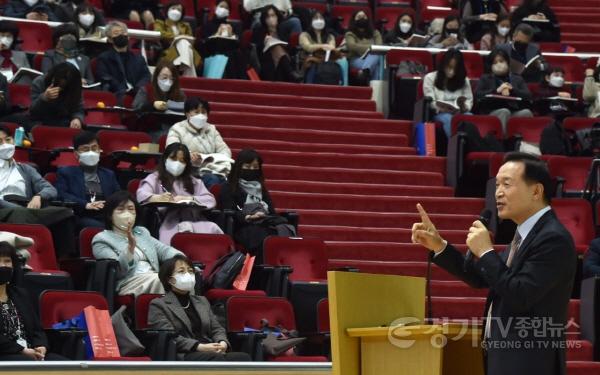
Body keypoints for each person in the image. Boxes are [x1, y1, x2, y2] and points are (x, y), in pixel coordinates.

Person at [411, 152, 576, 375]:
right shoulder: (526, 235)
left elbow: (520, 294)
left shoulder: (553, 238)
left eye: (506, 184)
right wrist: (439, 245)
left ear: (536, 191)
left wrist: (486, 251)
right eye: (496, 185)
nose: (497, 192)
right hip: (506, 358)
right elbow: (482, 276)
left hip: (530, 362)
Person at [148, 255, 252, 361]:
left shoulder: (202, 301)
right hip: (184, 353)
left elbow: (217, 328)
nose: (188, 274)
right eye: (181, 271)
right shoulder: (159, 305)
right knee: (216, 359)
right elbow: (169, 337)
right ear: (170, 280)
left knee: (244, 357)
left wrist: (222, 342)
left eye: (190, 271)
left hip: (210, 349)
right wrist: (199, 347)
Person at [0, 126, 77, 259]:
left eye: (8, 140)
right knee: (20, 213)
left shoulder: (26, 169)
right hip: (4, 208)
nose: (5, 145)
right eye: (0, 142)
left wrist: (38, 196)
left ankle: (63, 260)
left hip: (27, 206)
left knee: (65, 213)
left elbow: (50, 189)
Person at [92, 191, 184, 297]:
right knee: (165, 280)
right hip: (128, 283)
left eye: (131, 209)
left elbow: (164, 250)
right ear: (110, 215)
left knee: (184, 277)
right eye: (121, 209)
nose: (127, 214)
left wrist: (182, 261)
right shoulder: (101, 239)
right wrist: (130, 249)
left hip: (152, 277)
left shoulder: (141, 232)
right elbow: (118, 271)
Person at [136, 142, 223, 245]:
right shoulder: (155, 178)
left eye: (182, 161)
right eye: (173, 159)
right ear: (165, 159)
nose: (177, 163)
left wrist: (191, 199)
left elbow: (210, 200)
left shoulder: (194, 181)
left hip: (195, 221)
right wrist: (159, 198)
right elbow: (141, 194)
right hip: (170, 223)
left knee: (214, 229)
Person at [218, 149, 295, 262]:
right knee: (261, 236)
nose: (251, 170)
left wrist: (265, 216)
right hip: (242, 226)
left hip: (263, 222)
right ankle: (264, 272)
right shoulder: (228, 187)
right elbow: (229, 210)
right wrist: (248, 217)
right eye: (248, 167)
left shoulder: (260, 188)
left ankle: (283, 270)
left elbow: (271, 210)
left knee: (285, 229)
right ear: (239, 166)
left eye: (255, 167)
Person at [0, 242, 67, 361]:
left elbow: (37, 329)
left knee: (65, 364)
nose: (3, 266)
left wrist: (41, 346)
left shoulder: (21, 294)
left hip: (30, 352)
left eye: (7, 261)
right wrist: (21, 350)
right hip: (5, 354)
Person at [55, 131, 121, 230]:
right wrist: (85, 204)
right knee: (101, 227)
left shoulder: (108, 174)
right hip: (82, 215)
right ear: (76, 154)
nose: (91, 152)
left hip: (106, 214)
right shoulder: (66, 172)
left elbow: (118, 195)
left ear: (99, 151)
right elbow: (61, 194)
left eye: (94, 148)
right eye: (85, 149)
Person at [166, 97, 232, 188]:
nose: (200, 115)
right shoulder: (177, 129)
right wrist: (189, 155)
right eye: (196, 112)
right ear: (188, 114)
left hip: (211, 169)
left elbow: (225, 151)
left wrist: (211, 159)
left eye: (203, 112)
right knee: (213, 180)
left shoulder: (211, 129)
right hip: (188, 170)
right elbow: (171, 149)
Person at [475, 48, 533, 135]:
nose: (499, 65)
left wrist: (513, 89)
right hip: (493, 112)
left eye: (501, 61)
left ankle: (527, 141)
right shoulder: (485, 78)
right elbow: (477, 94)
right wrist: (496, 91)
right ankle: (503, 142)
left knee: (527, 112)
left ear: (507, 62)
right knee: (504, 111)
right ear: (490, 66)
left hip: (513, 111)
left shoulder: (517, 78)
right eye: (495, 63)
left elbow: (528, 95)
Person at [96, 21, 151, 108]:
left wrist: (137, 89)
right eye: (116, 33)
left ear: (128, 36)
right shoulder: (104, 58)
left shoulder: (138, 58)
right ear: (110, 39)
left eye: (123, 32)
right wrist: (124, 90)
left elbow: (146, 76)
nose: (121, 35)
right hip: (117, 94)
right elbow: (105, 77)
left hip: (138, 93)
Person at [422, 49, 473, 137]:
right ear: (443, 65)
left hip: (460, 112)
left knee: (470, 117)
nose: (451, 71)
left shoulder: (464, 80)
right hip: (441, 113)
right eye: (449, 67)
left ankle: (471, 146)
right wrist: (441, 108)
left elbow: (469, 100)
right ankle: (455, 147)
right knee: (448, 119)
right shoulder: (430, 78)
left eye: (455, 68)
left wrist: (464, 107)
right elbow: (430, 101)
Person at [251, 5, 301, 82]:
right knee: (274, 45)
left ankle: (290, 73)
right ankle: (290, 73)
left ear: (277, 17)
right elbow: (257, 49)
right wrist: (265, 42)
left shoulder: (282, 30)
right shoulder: (259, 31)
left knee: (277, 47)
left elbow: (290, 50)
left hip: (285, 59)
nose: (271, 19)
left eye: (273, 15)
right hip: (267, 60)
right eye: (268, 17)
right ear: (264, 19)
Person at [29, 62, 85, 129]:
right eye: (62, 79)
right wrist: (44, 98)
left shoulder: (74, 86)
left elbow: (79, 109)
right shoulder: (39, 82)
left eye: (66, 81)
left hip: (64, 121)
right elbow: (33, 111)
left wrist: (77, 118)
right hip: (40, 119)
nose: (63, 83)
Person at [154, 1, 202, 77]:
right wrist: (177, 37)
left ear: (182, 14)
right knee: (182, 41)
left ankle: (183, 63)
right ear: (167, 10)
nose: (176, 11)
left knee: (184, 42)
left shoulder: (186, 25)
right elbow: (160, 33)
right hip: (169, 50)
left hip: (186, 49)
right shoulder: (160, 23)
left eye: (179, 10)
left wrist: (181, 38)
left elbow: (190, 38)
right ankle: (187, 68)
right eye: (173, 8)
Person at [299, 10, 337, 84]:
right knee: (313, 63)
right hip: (312, 58)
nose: (319, 20)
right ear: (311, 21)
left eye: (321, 18)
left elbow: (332, 47)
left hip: (327, 58)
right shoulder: (304, 35)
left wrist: (323, 47)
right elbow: (308, 47)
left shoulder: (330, 36)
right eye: (316, 18)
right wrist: (324, 46)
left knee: (343, 61)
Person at [345, 10, 383, 83]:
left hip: (373, 59)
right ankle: (376, 92)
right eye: (359, 17)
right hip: (356, 59)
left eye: (364, 17)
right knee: (375, 58)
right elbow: (352, 46)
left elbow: (379, 47)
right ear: (354, 20)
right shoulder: (349, 34)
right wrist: (371, 48)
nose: (362, 18)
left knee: (375, 57)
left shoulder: (375, 33)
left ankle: (365, 72)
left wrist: (361, 47)